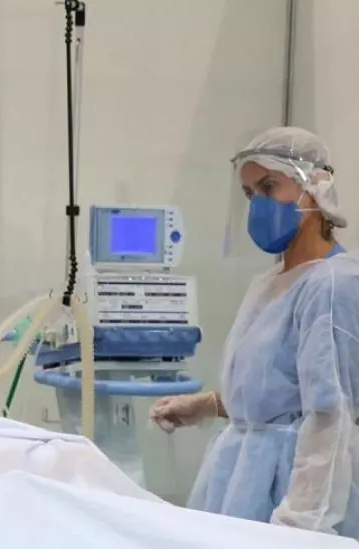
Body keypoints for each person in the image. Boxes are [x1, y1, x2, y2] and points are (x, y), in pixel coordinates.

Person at [149, 127, 358, 539]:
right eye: (249, 193)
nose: (258, 203)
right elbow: (278, 390)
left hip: (291, 495)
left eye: (268, 186)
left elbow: (329, 417)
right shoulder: (270, 283)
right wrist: (208, 405)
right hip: (243, 479)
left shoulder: (332, 285)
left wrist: (298, 527)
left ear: (313, 188)